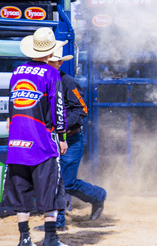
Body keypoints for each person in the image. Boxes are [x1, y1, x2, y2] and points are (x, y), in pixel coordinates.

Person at [2, 27, 69, 246]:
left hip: (17, 143)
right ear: (50, 52)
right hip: (41, 143)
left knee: (22, 194)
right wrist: (62, 136)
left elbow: (12, 107)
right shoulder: (52, 73)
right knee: (50, 190)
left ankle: (24, 238)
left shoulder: (17, 71)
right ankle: (50, 238)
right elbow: (58, 107)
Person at [33, 48, 107, 232]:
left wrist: (61, 125)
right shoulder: (42, 81)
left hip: (71, 139)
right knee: (56, 181)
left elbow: (82, 109)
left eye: (52, 61)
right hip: (51, 138)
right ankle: (57, 222)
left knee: (66, 182)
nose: (49, 64)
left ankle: (97, 196)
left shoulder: (67, 81)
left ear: (59, 63)